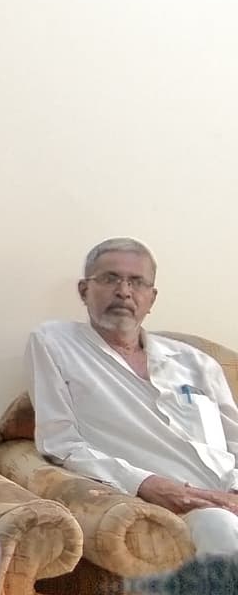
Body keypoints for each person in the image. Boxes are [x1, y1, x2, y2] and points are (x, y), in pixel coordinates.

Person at [27, 237, 238, 556]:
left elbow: (234, 440)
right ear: (84, 291)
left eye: (137, 282)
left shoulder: (196, 362)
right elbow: (60, 442)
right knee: (219, 527)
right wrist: (145, 483)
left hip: (229, 492)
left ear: (151, 298)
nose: (124, 291)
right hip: (177, 507)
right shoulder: (55, 343)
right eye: (110, 278)